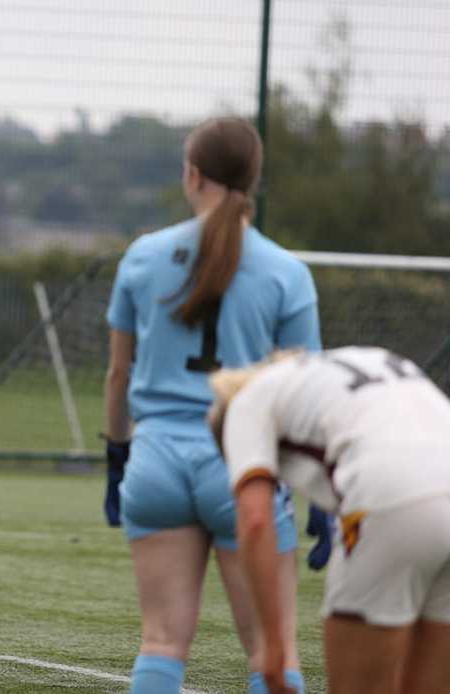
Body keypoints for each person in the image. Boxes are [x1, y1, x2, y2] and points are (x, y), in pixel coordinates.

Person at [102, 116, 321, 694]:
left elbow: (118, 374)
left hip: (155, 462)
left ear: (192, 174)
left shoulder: (143, 256)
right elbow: (307, 397)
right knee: (272, 655)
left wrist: (117, 460)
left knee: (162, 644)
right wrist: (323, 494)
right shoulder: (286, 272)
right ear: (252, 180)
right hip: (243, 469)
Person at [210, 347, 450, 694]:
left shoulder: (245, 403)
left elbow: (256, 519)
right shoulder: (356, 360)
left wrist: (273, 648)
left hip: (392, 495)